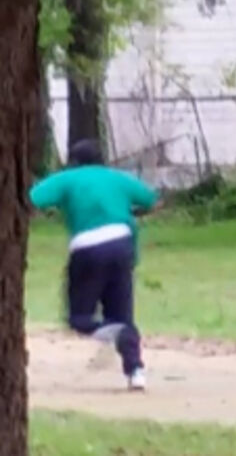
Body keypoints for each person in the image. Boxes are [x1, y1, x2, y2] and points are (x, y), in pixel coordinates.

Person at [29, 139, 158, 391]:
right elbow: (151, 199)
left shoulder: (68, 178)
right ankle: (135, 370)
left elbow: (33, 199)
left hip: (88, 247)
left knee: (79, 318)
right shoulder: (116, 177)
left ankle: (111, 332)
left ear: (73, 161)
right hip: (123, 244)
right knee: (122, 314)